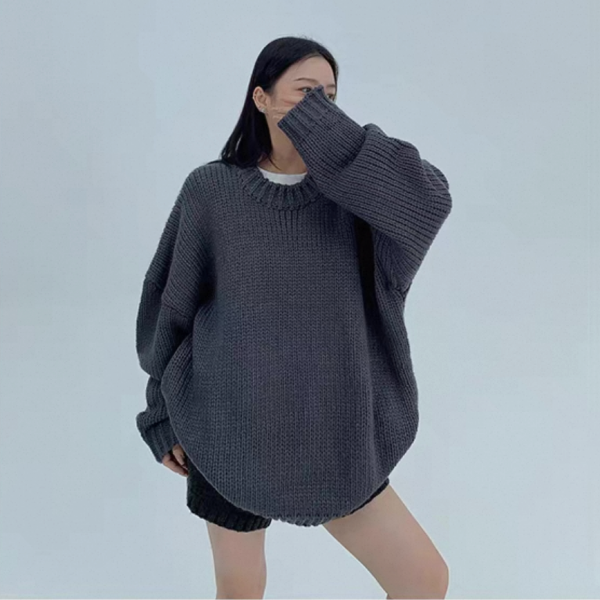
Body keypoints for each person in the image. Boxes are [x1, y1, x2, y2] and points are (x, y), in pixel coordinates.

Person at [135, 35, 452, 599]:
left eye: (330, 97)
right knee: (240, 588)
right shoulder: (211, 191)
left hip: (337, 436)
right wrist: (160, 413)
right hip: (225, 427)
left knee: (422, 579)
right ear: (260, 98)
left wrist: (331, 139)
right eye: (305, 93)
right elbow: (169, 306)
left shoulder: (361, 201)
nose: (319, 109)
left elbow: (428, 202)